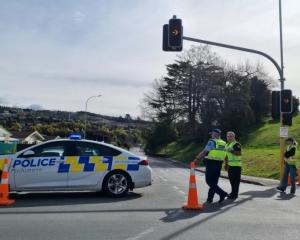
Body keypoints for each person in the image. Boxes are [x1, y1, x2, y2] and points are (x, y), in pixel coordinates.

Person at [194, 128, 228, 203]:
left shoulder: (212, 141)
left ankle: (222, 193)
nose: (211, 135)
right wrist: (226, 164)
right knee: (214, 183)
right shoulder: (224, 143)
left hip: (211, 164)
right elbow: (226, 155)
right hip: (219, 164)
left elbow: (204, 152)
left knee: (209, 181)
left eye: (212, 134)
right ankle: (210, 199)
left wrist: (196, 159)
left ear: (216, 134)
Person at [224, 131, 242, 200]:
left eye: (231, 136)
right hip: (230, 166)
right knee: (231, 181)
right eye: (228, 136)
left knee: (236, 181)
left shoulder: (236, 144)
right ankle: (233, 193)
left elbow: (239, 153)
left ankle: (235, 195)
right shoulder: (227, 145)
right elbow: (226, 156)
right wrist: (226, 164)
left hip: (237, 166)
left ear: (234, 137)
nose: (229, 138)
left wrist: (232, 151)